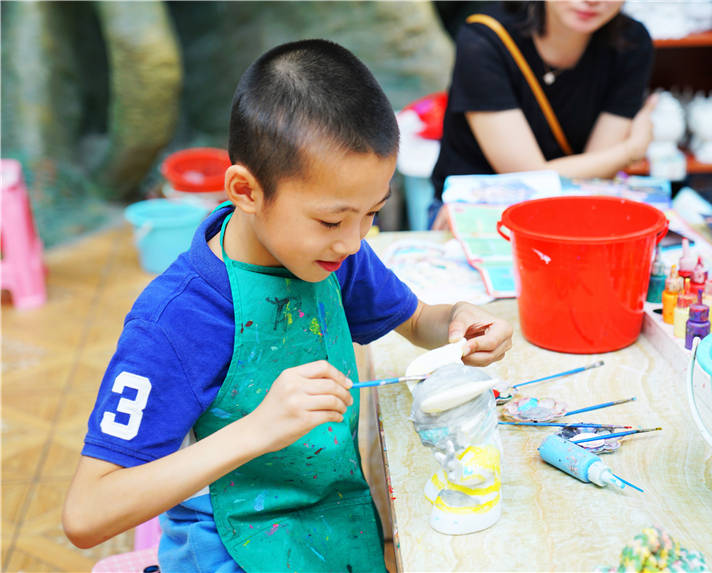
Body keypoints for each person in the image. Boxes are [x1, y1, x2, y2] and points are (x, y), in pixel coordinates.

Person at [62, 40, 513, 573]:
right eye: (331, 220)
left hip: (335, 525)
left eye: (371, 213)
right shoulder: (175, 323)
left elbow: (414, 320)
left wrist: (458, 322)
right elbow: (87, 514)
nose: (352, 241)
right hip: (229, 553)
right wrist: (257, 429)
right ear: (246, 191)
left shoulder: (334, 255)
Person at [430, 0, 657, 229]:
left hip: (571, 207)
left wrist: (610, 159)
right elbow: (528, 178)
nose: (592, 1)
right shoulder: (484, 39)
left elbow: (596, 174)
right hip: (480, 213)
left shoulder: (631, 42)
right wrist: (631, 151)